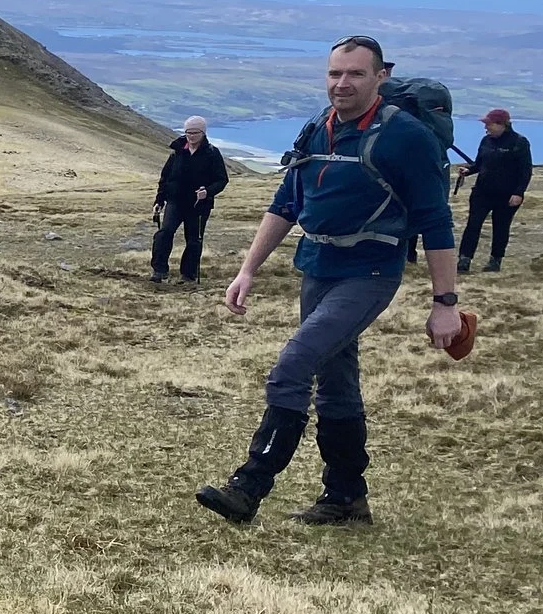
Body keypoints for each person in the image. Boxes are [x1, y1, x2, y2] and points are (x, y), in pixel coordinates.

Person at [197, 35, 461, 528]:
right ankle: (346, 499)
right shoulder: (318, 127)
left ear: (381, 76)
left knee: (292, 367)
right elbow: (285, 203)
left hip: (370, 272)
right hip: (316, 265)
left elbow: (435, 222)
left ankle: (250, 484)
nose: (342, 84)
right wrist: (247, 270)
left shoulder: (405, 137)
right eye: (335, 73)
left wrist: (445, 302)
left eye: (356, 74)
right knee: (335, 383)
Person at [150, 116, 228, 284]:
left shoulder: (212, 153)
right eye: (187, 132)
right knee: (164, 233)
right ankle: (159, 270)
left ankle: (188, 275)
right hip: (175, 202)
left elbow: (222, 180)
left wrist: (207, 191)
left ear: (203, 133)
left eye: (195, 133)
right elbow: (165, 178)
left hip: (199, 205)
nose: (191, 136)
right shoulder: (177, 152)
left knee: (193, 240)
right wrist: (159, 200)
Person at [457, 108, 532, 274]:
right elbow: (479, 164)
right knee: (473, 225)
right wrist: (468, 171)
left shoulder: (519, 142)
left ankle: (495, 260)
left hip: (507, 195)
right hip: (482, 192)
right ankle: (464, 259)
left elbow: (525, 170)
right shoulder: (486, 141)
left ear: (501, 124)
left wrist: (518, 193)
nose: (486, 128)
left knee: (501, 227)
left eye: (489, 124)